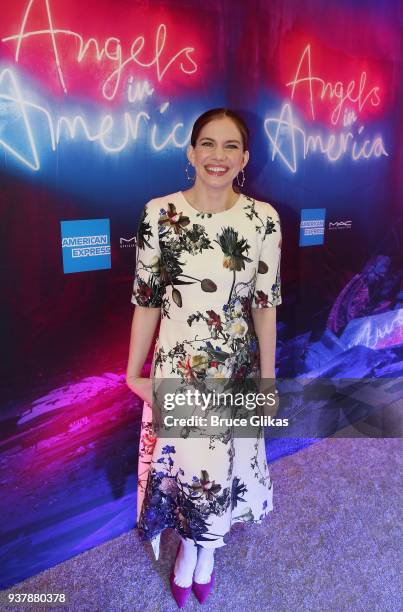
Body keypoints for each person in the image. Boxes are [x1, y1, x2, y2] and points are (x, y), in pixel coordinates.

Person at [126, 108, 282, 607]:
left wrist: (269, 381)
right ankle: (191, 552)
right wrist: (134, 371)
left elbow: (265, 307)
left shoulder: (263, 220)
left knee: (221, 470)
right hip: (179, 368)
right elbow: (147, 299)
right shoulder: (158, 214)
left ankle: (203, 554)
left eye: (231, 146)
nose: (219, 156)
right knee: (193, 469)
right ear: (191, 152)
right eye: (208, 144)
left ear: (245, 158)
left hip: (235, 372)